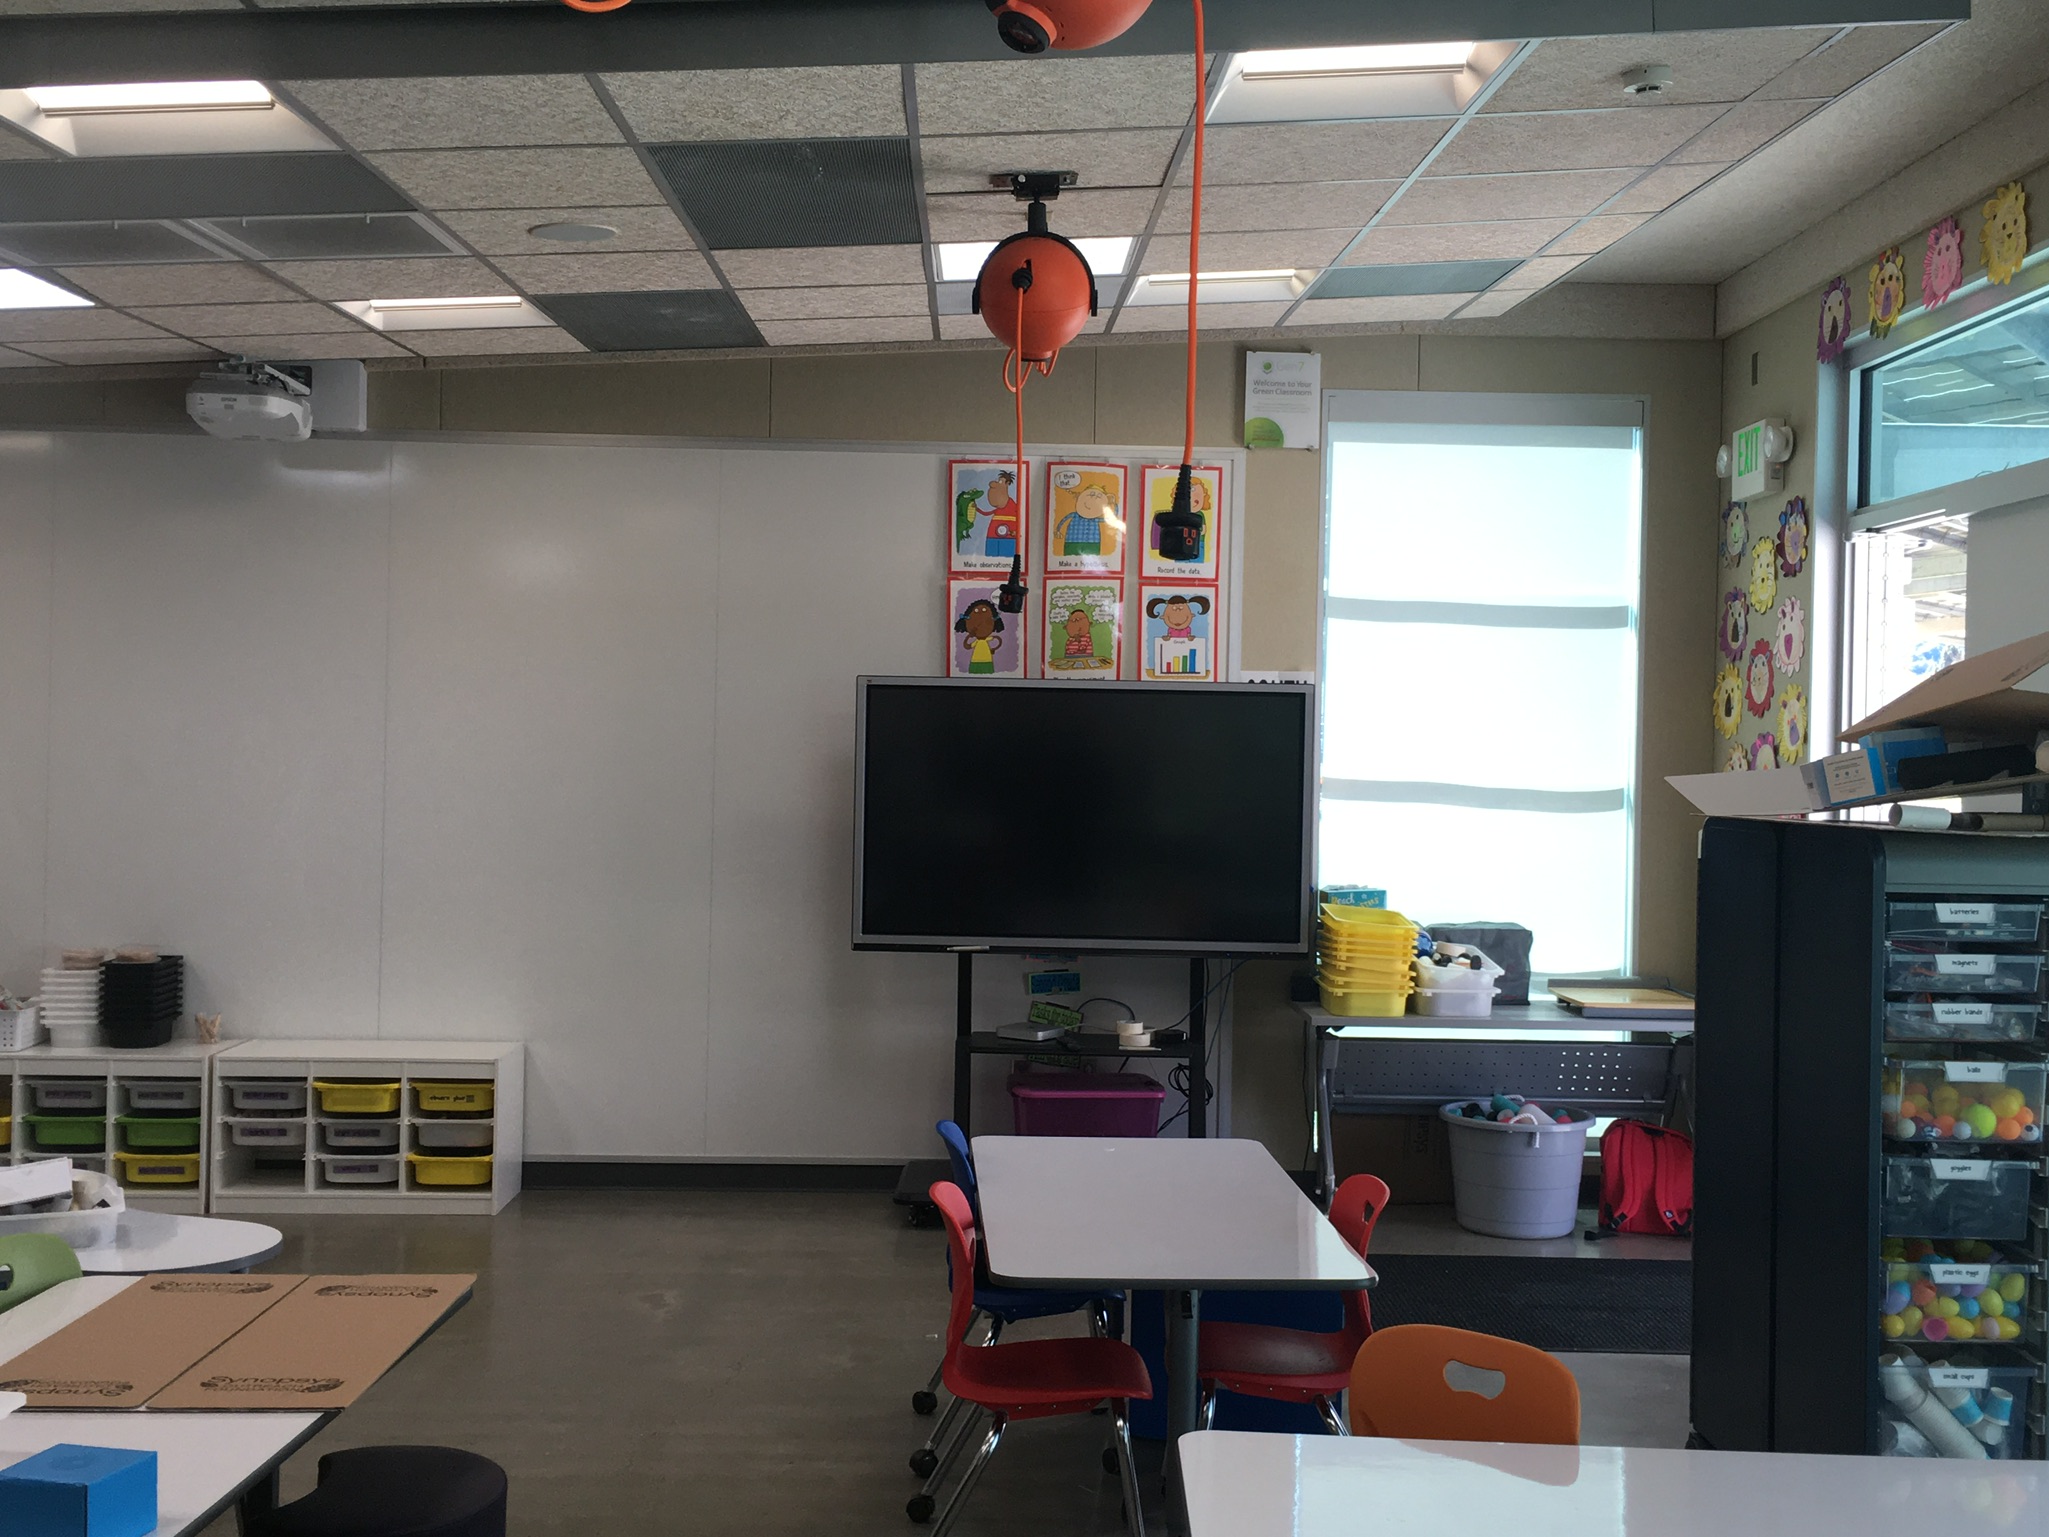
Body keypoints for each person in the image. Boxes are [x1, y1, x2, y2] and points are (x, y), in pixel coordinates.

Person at [1052, 481, 1114, 559]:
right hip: (1072, 541)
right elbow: (1063, 520)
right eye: (1091, 494)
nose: (1093, 498)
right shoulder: (1074, 515)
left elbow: (1111, 518)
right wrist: (1058, 530)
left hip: (1093, 543)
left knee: (1093, 558)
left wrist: (1113, 504)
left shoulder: (1095, 519)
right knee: (1069, 557)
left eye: (1098, 497)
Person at [954, 598, 1005, 675]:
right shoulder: (978, 641)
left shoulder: (986, 640)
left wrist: (993, 649)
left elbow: (998, 640)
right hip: (976, 660)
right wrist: (969, 636)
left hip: (987, 659)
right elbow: (967, 646)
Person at [983, 471, 1019, 560]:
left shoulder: (1013, 507)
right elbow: (986, 513)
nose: (993, 484)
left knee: (1007, 557)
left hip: (1009, 538)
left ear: (1007, 483)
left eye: (1000, 481)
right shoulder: (999, 509)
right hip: (992, 536)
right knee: (991, 556)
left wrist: (1016, 532)